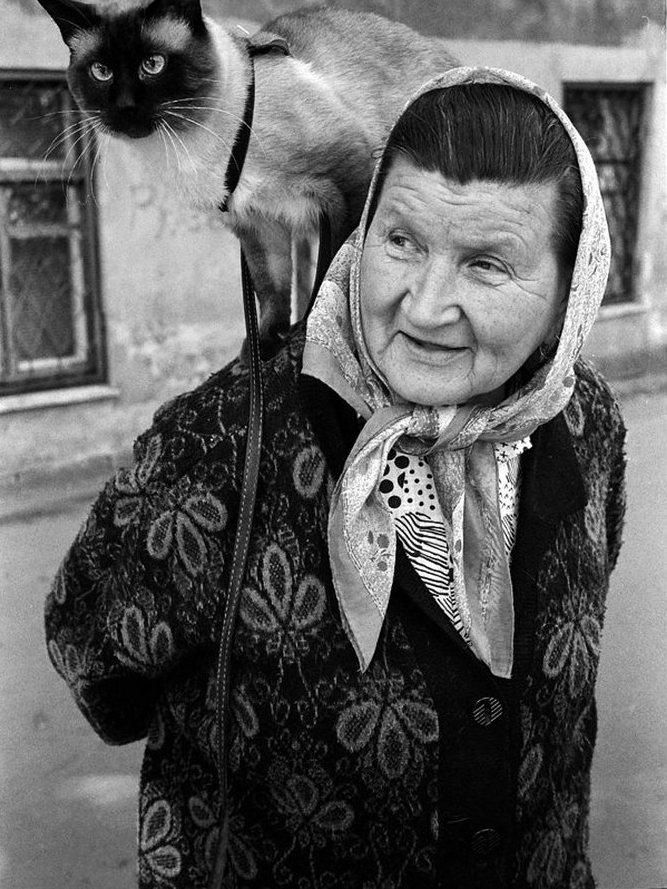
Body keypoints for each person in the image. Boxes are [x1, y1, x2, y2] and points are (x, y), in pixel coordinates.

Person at [45, 67, 626, 889]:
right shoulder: (217, 447)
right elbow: (92, 653)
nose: (423, 308)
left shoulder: (583, 420)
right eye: (402, 241)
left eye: (488, 265)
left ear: (572, 289)